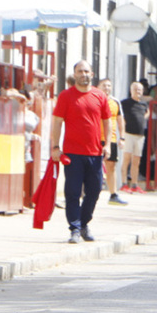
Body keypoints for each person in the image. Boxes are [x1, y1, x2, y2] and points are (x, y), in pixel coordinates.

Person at [51, 60, 111, 244]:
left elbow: (107, 122)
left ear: (92, 74)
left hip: (94, 153)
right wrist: (55, 147)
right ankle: (75, 229)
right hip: (72, 153)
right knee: (72, 192)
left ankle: (84, 223)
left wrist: (107, 144)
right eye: (80, 71)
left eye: (86, 71)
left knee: (94, 191)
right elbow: (57, 122)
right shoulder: (66, 96)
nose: (83, 74)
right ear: (74, 74)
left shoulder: (100, 96)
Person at [97, 78, 127, 206]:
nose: (107, 88)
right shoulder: (94, 100)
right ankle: (88, 192)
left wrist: (122, 138)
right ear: (98, 87)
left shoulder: (115, 102)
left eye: (109, 86)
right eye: (104, 85)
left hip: (111, 139)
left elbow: (120, 121)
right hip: (96, 138)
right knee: (93, 166)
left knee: (111, 166)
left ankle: (113, 194)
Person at [120, 81, 148, 194]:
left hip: (140, 135)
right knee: (127, 159)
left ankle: (135, 184)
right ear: (131, 90)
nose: (138, 92)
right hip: (128, 134)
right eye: (136, 89)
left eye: (140, 90)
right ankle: (124, 183)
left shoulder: (144, 104)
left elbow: (147, 113)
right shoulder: (124, 103)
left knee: (137, 160)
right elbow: (120, 116)